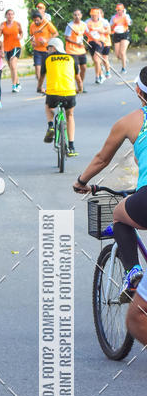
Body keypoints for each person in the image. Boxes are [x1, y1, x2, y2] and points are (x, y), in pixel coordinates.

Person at [74, 66, 147, 299]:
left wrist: (82, 181)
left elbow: (102, 159)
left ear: (138, 91)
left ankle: (133, 272)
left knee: (118, 215)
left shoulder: (130, 122)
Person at [43, 37, 77, 156]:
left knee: (48, 106)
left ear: (54, 48)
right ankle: (71, 147)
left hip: (53, 94)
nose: (47, 50)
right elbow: (78, 77)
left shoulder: (48, 59)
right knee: (70, 115)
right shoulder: (71, 58)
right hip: (69, 93)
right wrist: (80, 88)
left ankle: (51, 126)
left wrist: (39, 87)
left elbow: (41, 76)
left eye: (48, 48)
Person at [29, 10, 58, 93]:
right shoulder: (32, 25)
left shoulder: (47, 23)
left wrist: (47, 40)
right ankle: (40, 87)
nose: (36, 22)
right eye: (34, 20)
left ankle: (51, 86)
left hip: (47, 50)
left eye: (37, 20)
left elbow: (56, 33)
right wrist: (32, 41)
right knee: (38, 69)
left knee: (49, 70)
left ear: (41, 19)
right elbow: (31, 35)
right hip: (37, 50)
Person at [0, 9, 23, 92]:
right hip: (6, 48)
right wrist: (0, 29)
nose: (10, 16)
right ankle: (18, 83)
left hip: (16, 46)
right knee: (12, 68)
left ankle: (14, 86)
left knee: (13, 64)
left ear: (13, 15)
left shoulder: (17, 24)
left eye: (12, 14)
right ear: (6, 15)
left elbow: (21, 32)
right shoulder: (3, 24)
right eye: (8, 14)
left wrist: (20, 37)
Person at [65, 9, 88, 94]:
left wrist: (86, 43)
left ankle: (80, 84)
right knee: (76, 69)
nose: (77, 16)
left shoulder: (84, 24)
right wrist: (76, 43)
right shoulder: (70, 25)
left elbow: (87, 34)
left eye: (78, 15)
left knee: (84, 68)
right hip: (72, 50)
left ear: (81, 15)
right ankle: (78, 85)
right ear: (73, 16)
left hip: (81, 50)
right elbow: (66, 38)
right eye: (75, 15)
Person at [86, 8, 107, 85]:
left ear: (98, 15)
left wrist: (102, 31)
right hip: (91, 42)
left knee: (96, 58)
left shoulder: (102, 22)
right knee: (95, 61)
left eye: (95, 15)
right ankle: (101, 73)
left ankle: (97, 77)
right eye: (92, 15)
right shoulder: (87, 22)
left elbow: (108, 31)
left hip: (100, 42)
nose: (93, 17)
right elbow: (86, 32)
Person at [110, 3, 132, 73]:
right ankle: (124, 59)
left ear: (123, 10)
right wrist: (114, 24)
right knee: (118, 55)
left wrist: (125, 16)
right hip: (117, 34)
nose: (118, 11)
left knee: (122, 52)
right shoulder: (113, 17)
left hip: (125, 34)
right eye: (117, 10)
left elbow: (129, 23)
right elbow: (111, 27)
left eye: (120, 10)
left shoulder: (126, 16)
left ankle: (123, 68)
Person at [100, 10, 112, 78]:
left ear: (102, 14)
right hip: (97, 43)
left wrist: (101, 31)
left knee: (105, 58)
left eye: (98, 13)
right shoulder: (92, 23)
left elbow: (109, 31)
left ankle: (108, 71)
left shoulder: (105, 22)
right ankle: (100, 74)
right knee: (98, 59)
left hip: (106, 42)